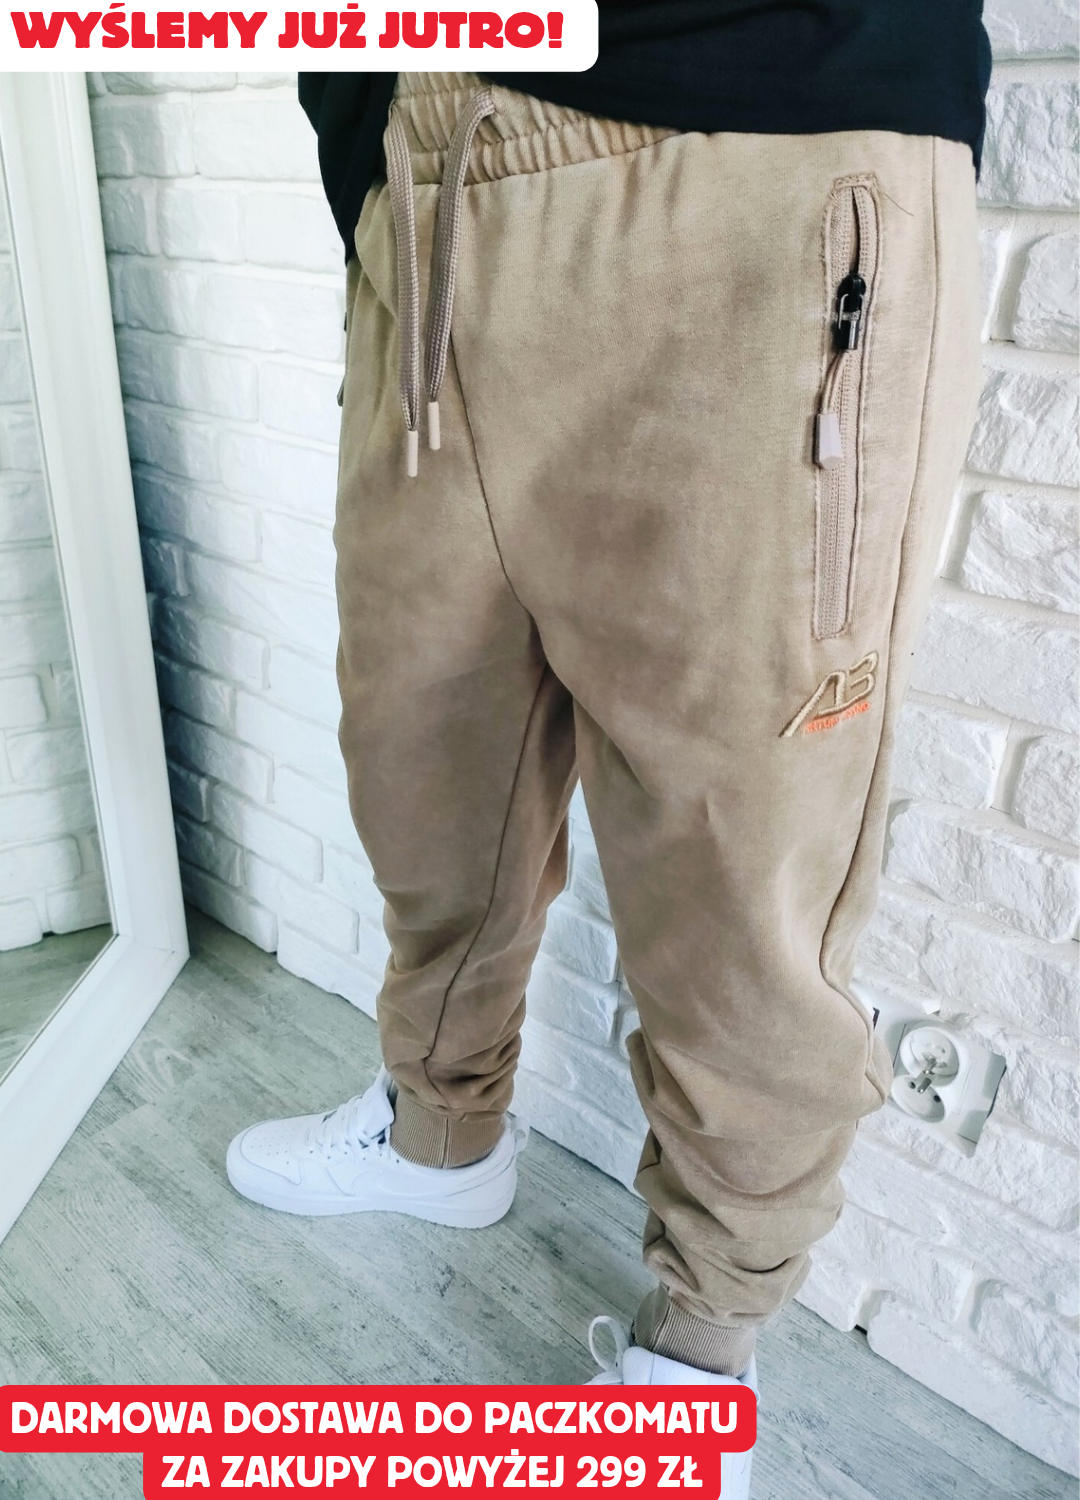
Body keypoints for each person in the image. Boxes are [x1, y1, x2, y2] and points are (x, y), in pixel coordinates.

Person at [227, 7, 992, 1494]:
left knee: (737, 857)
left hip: (754, 146)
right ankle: (441, 1137)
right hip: (423, 186)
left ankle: (698, 1353)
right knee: (421, 766)